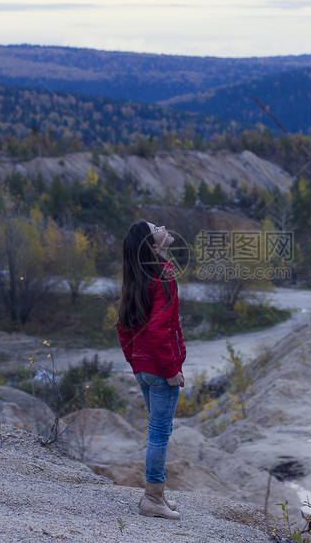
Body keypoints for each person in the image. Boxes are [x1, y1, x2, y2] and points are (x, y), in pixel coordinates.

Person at [117, 220, 186, 520]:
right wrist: (171, 369)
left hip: (144, 369)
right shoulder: (164, 279)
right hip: (159, 370)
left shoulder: (137, 279)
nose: (163, 226)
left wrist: (135, 363)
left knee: (159, 431)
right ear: (153, 246)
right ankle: (152, 499)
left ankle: (157, 496)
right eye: (155, 227)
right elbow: (160, 331)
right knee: (159, 434)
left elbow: (123, 327)